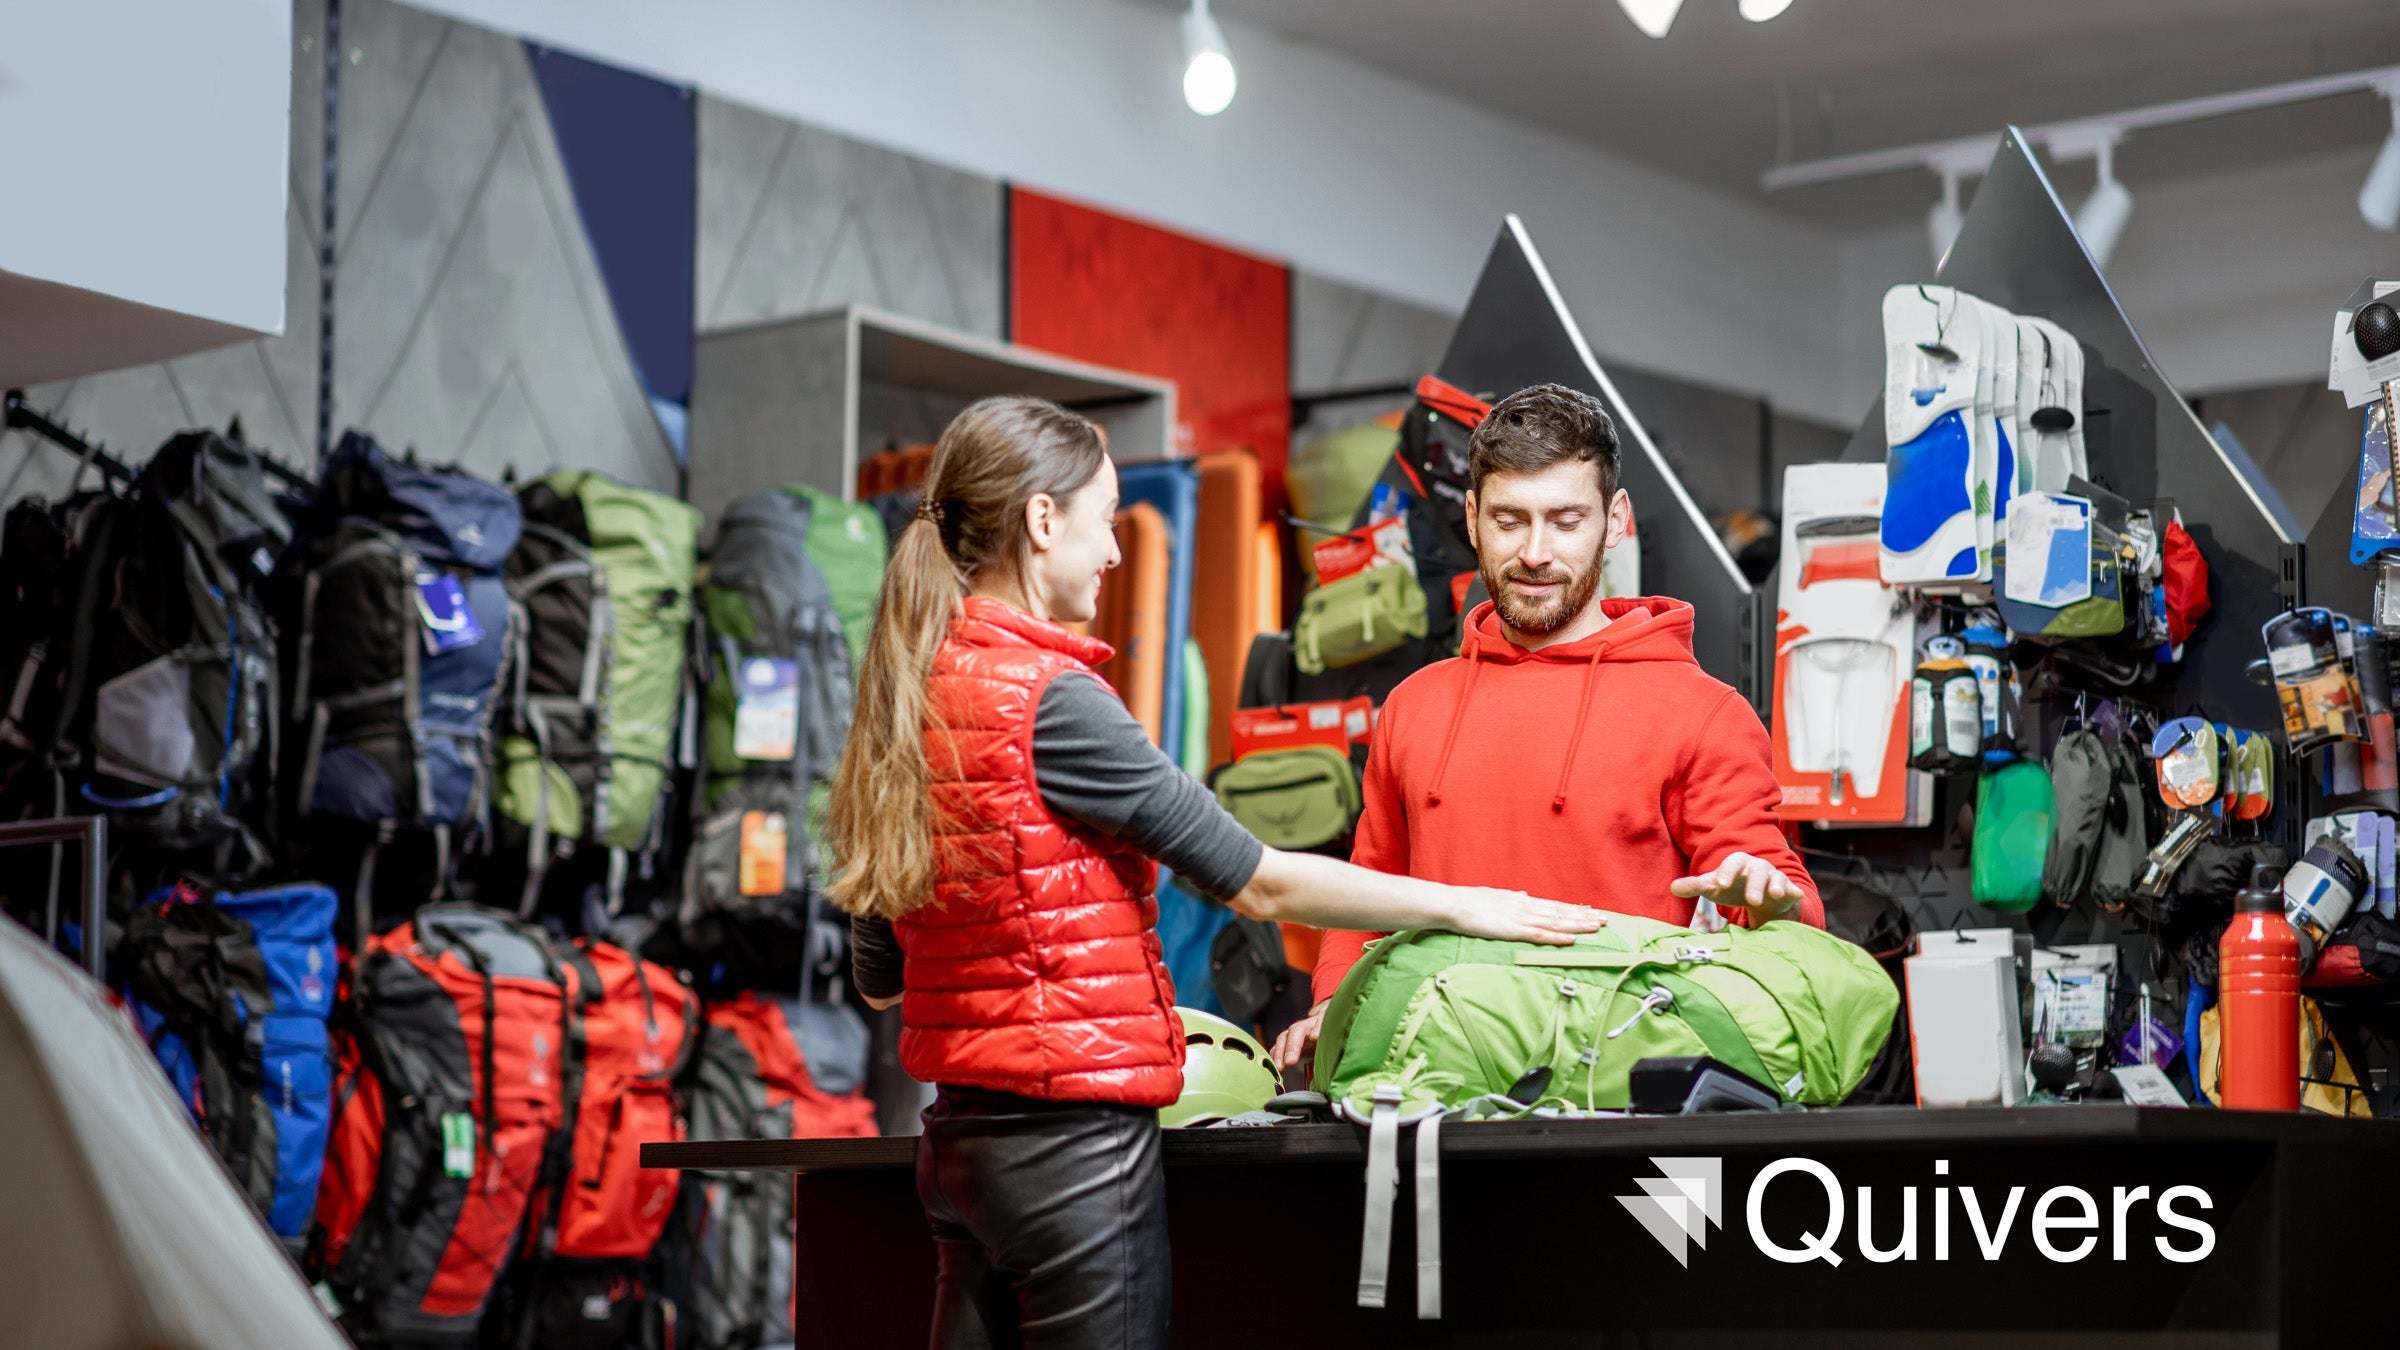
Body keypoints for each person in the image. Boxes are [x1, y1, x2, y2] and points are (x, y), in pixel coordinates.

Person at [826, 395, 1600, 1350]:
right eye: (1103, 520)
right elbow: (1259, 882)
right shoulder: (1053, 704)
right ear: (1040, 522)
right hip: (1072, 1151)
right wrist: (1474, 905)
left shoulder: (914, 686)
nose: (1113, 552)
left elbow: (880, 974)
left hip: (957, 1152)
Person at [1273, 382, 1824, 1070]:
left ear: (1614, 519)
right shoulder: (1413, 706)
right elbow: (1375, 885)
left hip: (1612, 1090)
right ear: (1472, 518)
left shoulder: (1701, 712)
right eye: (1510, 520)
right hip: (1429, 1085)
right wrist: (1332, 1004)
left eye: (1566, 521)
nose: (1536, 552)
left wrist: (1771, 903)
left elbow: (1788, 907)